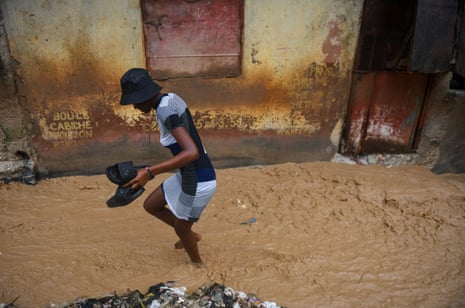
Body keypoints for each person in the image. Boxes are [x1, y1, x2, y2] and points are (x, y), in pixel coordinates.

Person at [119, 68, 216, 265]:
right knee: (151, 205)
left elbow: (191, 152)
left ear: (145, 96)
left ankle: (198, 265)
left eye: (136, 101)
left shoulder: (164, 112)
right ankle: (191, 235)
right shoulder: (170, 99)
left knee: (180, 228)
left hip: (199, 180)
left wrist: (149, 172)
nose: (135, 107)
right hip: (188, 174)